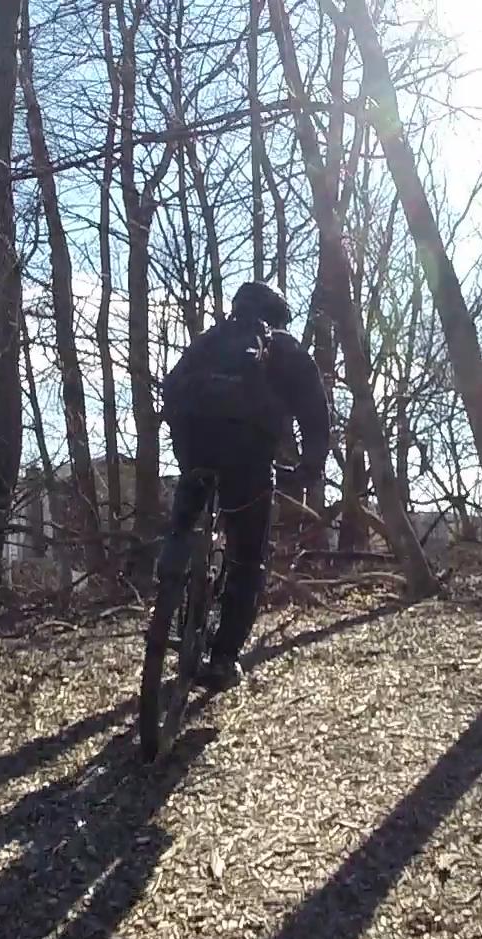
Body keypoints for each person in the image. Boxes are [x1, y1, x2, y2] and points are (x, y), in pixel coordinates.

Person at [158, 281, 330, 692]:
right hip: (248, 454)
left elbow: (171, 389)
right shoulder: (283, 347)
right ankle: (221, 658)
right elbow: (314, 412)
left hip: (193, 442)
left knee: (190, 507)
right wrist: (310, 466)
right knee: (249, 555)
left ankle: (173, 565)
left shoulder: (208, 341)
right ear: (276, 315)